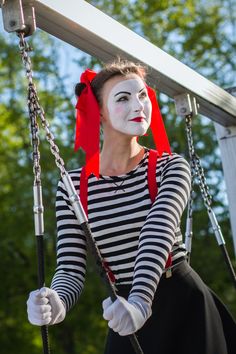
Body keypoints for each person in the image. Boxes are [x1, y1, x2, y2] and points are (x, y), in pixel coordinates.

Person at [27, 58, 236, 354]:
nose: (139, 106)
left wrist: (140, 300)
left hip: (181, 302)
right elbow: (71, 267)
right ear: (98, 111)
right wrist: (56, 301)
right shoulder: (73, 186)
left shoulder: (170, 167)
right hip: (123, 306)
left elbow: (158, 230)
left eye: (142, 96)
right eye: (123, 98)